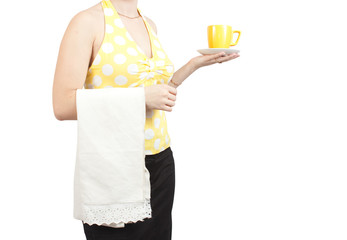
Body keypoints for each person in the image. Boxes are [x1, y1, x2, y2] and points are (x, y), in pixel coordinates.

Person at [52, 0, 240, 239]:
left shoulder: (149, 24)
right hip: (114, 168)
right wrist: (141, 98)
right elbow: (62, 105)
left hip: (161, 162)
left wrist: (192, 66)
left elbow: (154, 93)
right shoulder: (87, 21)